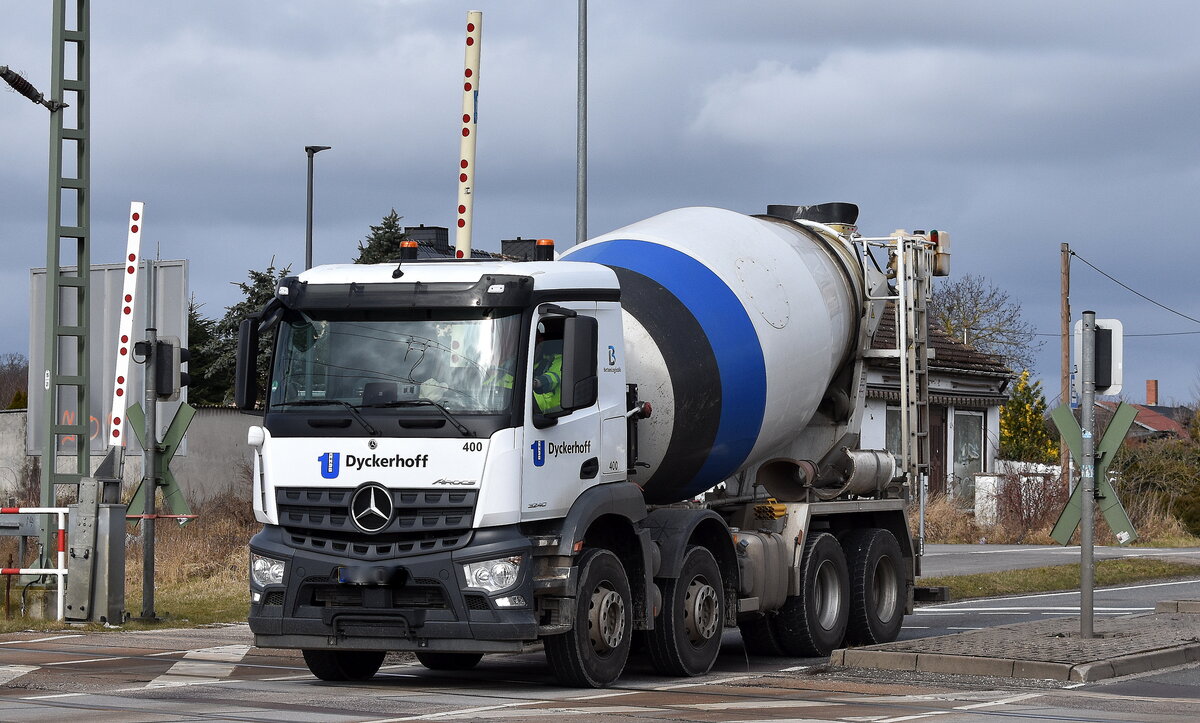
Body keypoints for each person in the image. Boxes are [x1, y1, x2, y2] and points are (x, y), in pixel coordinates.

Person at [531, 321, 563, 413]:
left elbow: (553, 378)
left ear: (540, 342)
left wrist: (536, 383)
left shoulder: (559, 361)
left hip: (551, 418)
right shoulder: (531, 364)